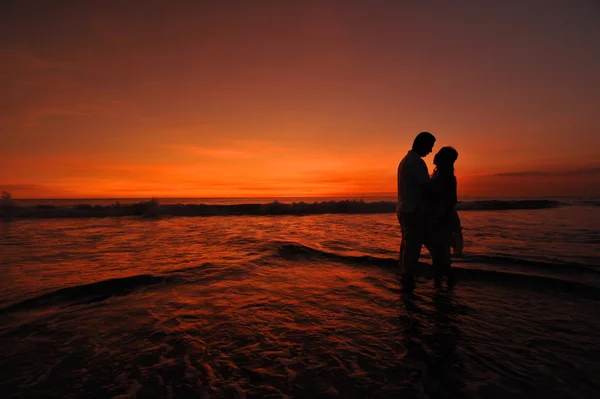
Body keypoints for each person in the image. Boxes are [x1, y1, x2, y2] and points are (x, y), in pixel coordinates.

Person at [397, 132, 436, 292]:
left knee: (407, 243)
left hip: (404, 208)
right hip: (413, 210)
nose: (430, 151)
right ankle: (408, 276)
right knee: (412, 245)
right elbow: (427, 187)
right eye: (429, 146)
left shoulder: (405, 161)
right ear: (421, 144)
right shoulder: (417, 163)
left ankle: (405, 274)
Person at [428, 146, 461, 289]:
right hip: (436, 215)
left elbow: (452, 200)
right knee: (438, 251)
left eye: (440, 154)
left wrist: (442, 219)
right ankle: (439, 282)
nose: (435, 155)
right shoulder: (437, 175)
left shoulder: (449, 178)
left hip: (443, 216)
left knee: (442, 252)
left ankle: (446, 281)